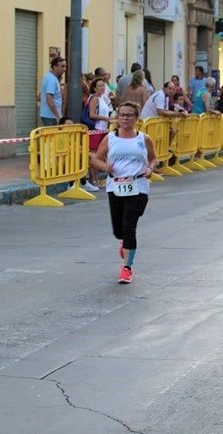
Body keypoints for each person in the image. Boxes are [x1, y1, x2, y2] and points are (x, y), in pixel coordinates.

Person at [89, 101, 157, 284]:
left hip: (138, 186)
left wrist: (150, 169)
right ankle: (124, 242)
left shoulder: (144, 139)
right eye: (122, 115)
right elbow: (95, 159)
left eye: (129, 115)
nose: (125, 118)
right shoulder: (110, 138)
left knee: (129, 225)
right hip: (116, 186)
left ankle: (127, 268)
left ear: (136, 118)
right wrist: (105, 166)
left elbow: (153, 159)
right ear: (117, 118)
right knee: (119, 229)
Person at [85, 77, 112, 189]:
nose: (102, 87)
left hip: (103, 129)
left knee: (99, 155)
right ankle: (93, 179)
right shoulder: (94, 98)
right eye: (99, 85)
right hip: (96, 130)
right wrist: (106, 118)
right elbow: (92, 115)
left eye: (103, 85)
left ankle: (96, 178)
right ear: (94, 87)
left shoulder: (102, 98)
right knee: (94, 155)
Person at [40, 57, 66, 126]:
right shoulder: (52, 79)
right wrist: (57, 115)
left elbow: (39, 97)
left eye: (65, 66)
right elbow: (49, 99)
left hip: (49, 115)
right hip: (51, 116)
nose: (64, 69)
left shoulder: (49, 77)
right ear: (54, 67)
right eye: (62, 66)